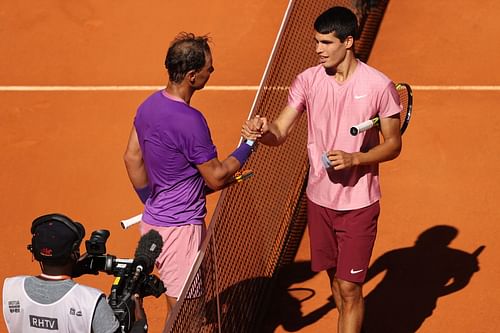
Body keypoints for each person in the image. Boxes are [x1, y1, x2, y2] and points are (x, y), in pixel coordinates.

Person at [242, 6, 402, 333]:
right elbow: (281, 130)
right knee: (336, 283)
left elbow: (394, 144)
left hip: (358, 204)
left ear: (348, 42)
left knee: (349, 288)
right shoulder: (307, 80)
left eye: (326, 42)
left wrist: (356, 158)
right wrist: (263, 131)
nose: (318, 49)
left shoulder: (378, 85)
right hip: (318, 201)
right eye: (316, 41)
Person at [123, 32, 255, 321]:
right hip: (181, 231)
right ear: (192, 76)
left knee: (180, 306)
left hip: (152, 225)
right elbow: (217, 177)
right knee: (187, 316)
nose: (213, 71)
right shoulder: (190, 121)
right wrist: (248, 144)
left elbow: (132, 157)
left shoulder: (148, 106)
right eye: (209, 67)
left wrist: (154, 201)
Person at [2, 213, 148, 333]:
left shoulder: (11, 288)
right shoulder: (90, 301)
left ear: (34, 252)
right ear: (74, 254)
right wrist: (140, 321)